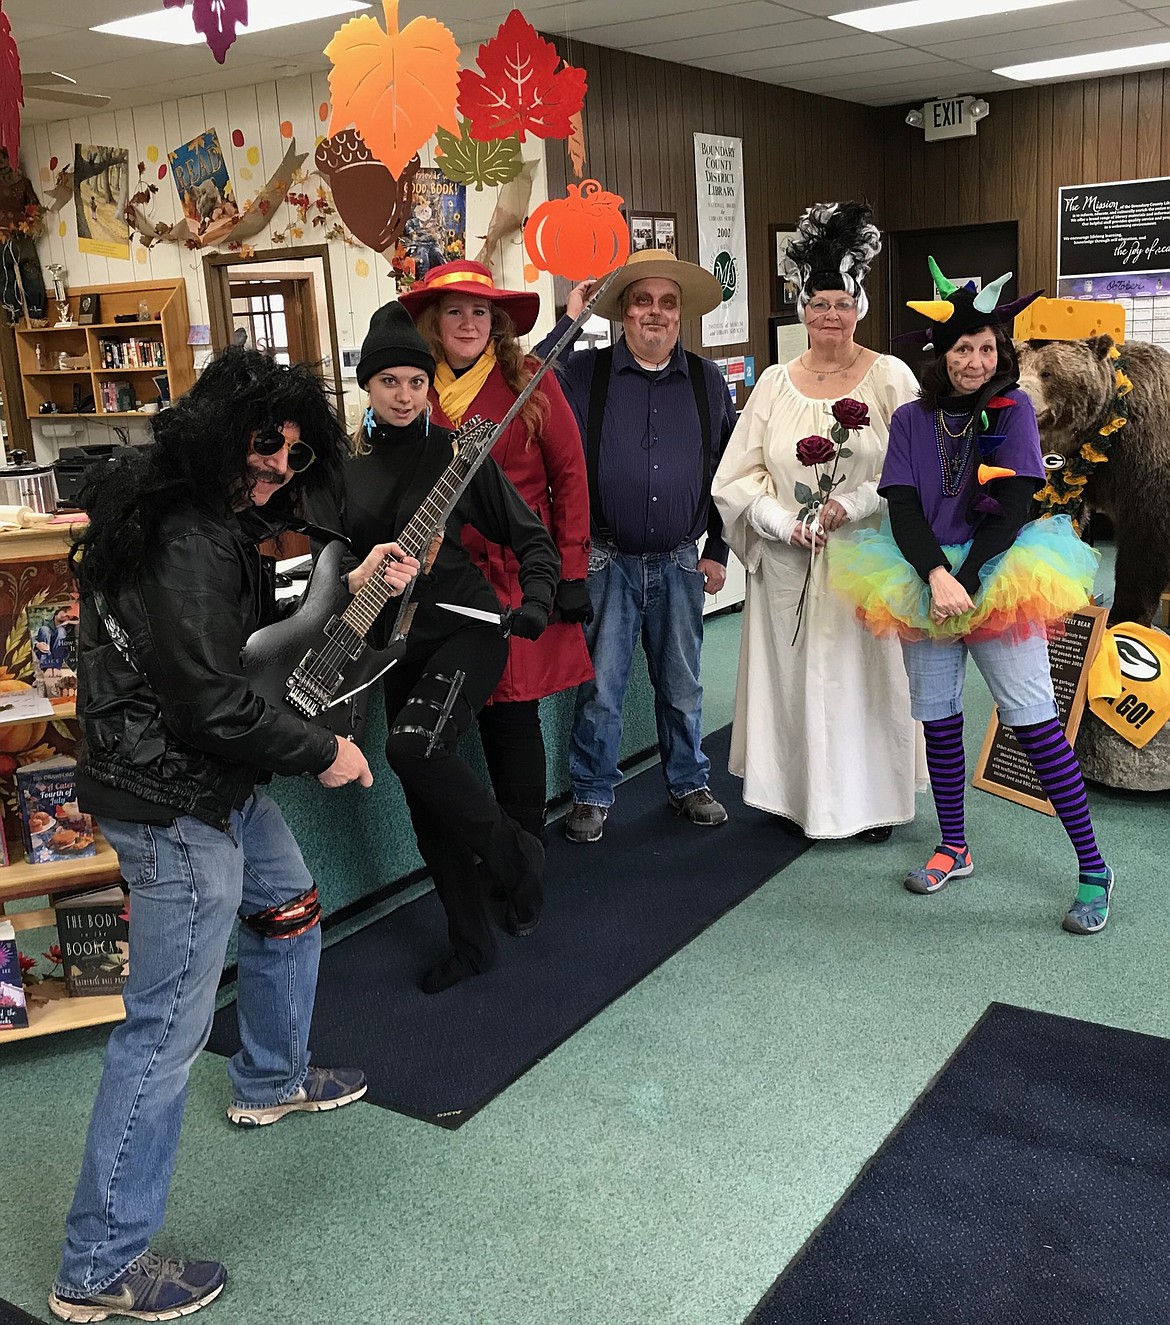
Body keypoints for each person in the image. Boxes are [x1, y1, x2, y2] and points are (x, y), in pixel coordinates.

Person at [51, 348, 418, 1323]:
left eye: (295, 454)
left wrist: (357, 584)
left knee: (290, 904)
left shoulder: (200, 514)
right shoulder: (186, 533)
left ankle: (270, 1076)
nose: (277, 466)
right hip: (172, 798)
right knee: (165, 1031)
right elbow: (213, 698)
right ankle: (95, 1268)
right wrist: (322, 753)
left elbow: (242, 649)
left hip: (204, 779)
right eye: (266, 443)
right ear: (224, 427)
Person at [829, 259, 1112, 932]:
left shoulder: (1013, 411)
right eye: (964, 348)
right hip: (921, 575)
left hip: (1001, 572)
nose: (977, 360)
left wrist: (972, 578)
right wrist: (934, 575)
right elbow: (901, 505)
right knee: (939, 718)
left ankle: (1095, 866)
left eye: (988, 347)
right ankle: (954, 845)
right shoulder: (909, 420)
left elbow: (1013, 502)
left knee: (1036, 724)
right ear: (941, 353)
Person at [310, 302, 561, 994]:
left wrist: (536, 602)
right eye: (389, 381)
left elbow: (531, 538)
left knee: (413, 747)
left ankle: (518, 860)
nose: (403, 394)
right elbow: (326, 568)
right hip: (394, 646)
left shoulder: (456, 453)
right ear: (367, 386)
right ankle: (473, 942)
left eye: (415, 382)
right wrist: (359, 572)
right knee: (426, 803)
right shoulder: (345, 470)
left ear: (428, 387)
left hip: (467, 626)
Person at [712, 202, 922, 840]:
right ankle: (796, 794)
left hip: (865, 557)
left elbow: (914, 470)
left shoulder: (890, 378)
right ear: (802, 309)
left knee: (864, 675)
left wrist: (852, 503)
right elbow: (735, 476)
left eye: (842, 303)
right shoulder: (775, 384)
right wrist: (780, 521)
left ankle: (871, 800)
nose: (830, 316)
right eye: (818, 302)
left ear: (860, 309)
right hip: (789, 566)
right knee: (796, 673)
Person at [536, 248, 737, 843]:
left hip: (680, 559)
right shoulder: (585, 373)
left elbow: (730, 474)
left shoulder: (706, 381)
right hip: (604, 560)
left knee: (683, 685)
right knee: (601, 687)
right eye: (643, 300)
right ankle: (592, 792)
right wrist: (570, 321)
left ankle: (688, 782)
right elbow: (527, 388)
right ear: (623, 311)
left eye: (668, 303)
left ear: (681, 315)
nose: (656, 313)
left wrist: (717, 550)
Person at [400, 260, 593, 848]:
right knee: (442, 725)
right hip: (439, 584)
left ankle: (523, 856)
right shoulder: (412, 386)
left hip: (514, 579)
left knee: (512, 721)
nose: (467, 323)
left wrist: (570, 570)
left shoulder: (531, 379)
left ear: (496, 321)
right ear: (433, 321)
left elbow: (570, 475)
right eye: (454, 311)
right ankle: (473, 855)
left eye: (479, 311)